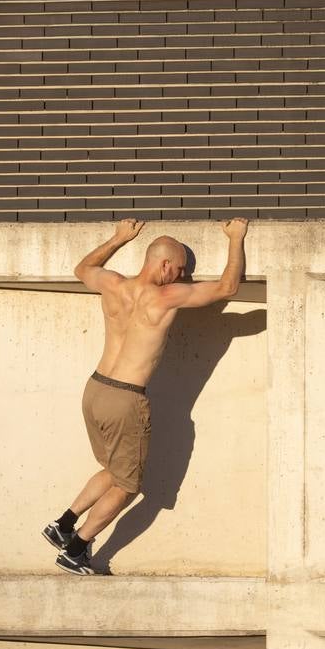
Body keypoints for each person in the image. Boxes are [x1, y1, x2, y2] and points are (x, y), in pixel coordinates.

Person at [44, 217, 249, 575]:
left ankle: (63, 524)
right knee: (128, 485)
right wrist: (235, 238)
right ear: (165, 264)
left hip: (95, 389)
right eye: (181, 270)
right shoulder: (166, 296)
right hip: (125, 397)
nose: (183, 278)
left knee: (113, 469)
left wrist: (118, 238)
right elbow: (229, 287)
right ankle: (76, 549)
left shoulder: (113, 284)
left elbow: (83, 268)